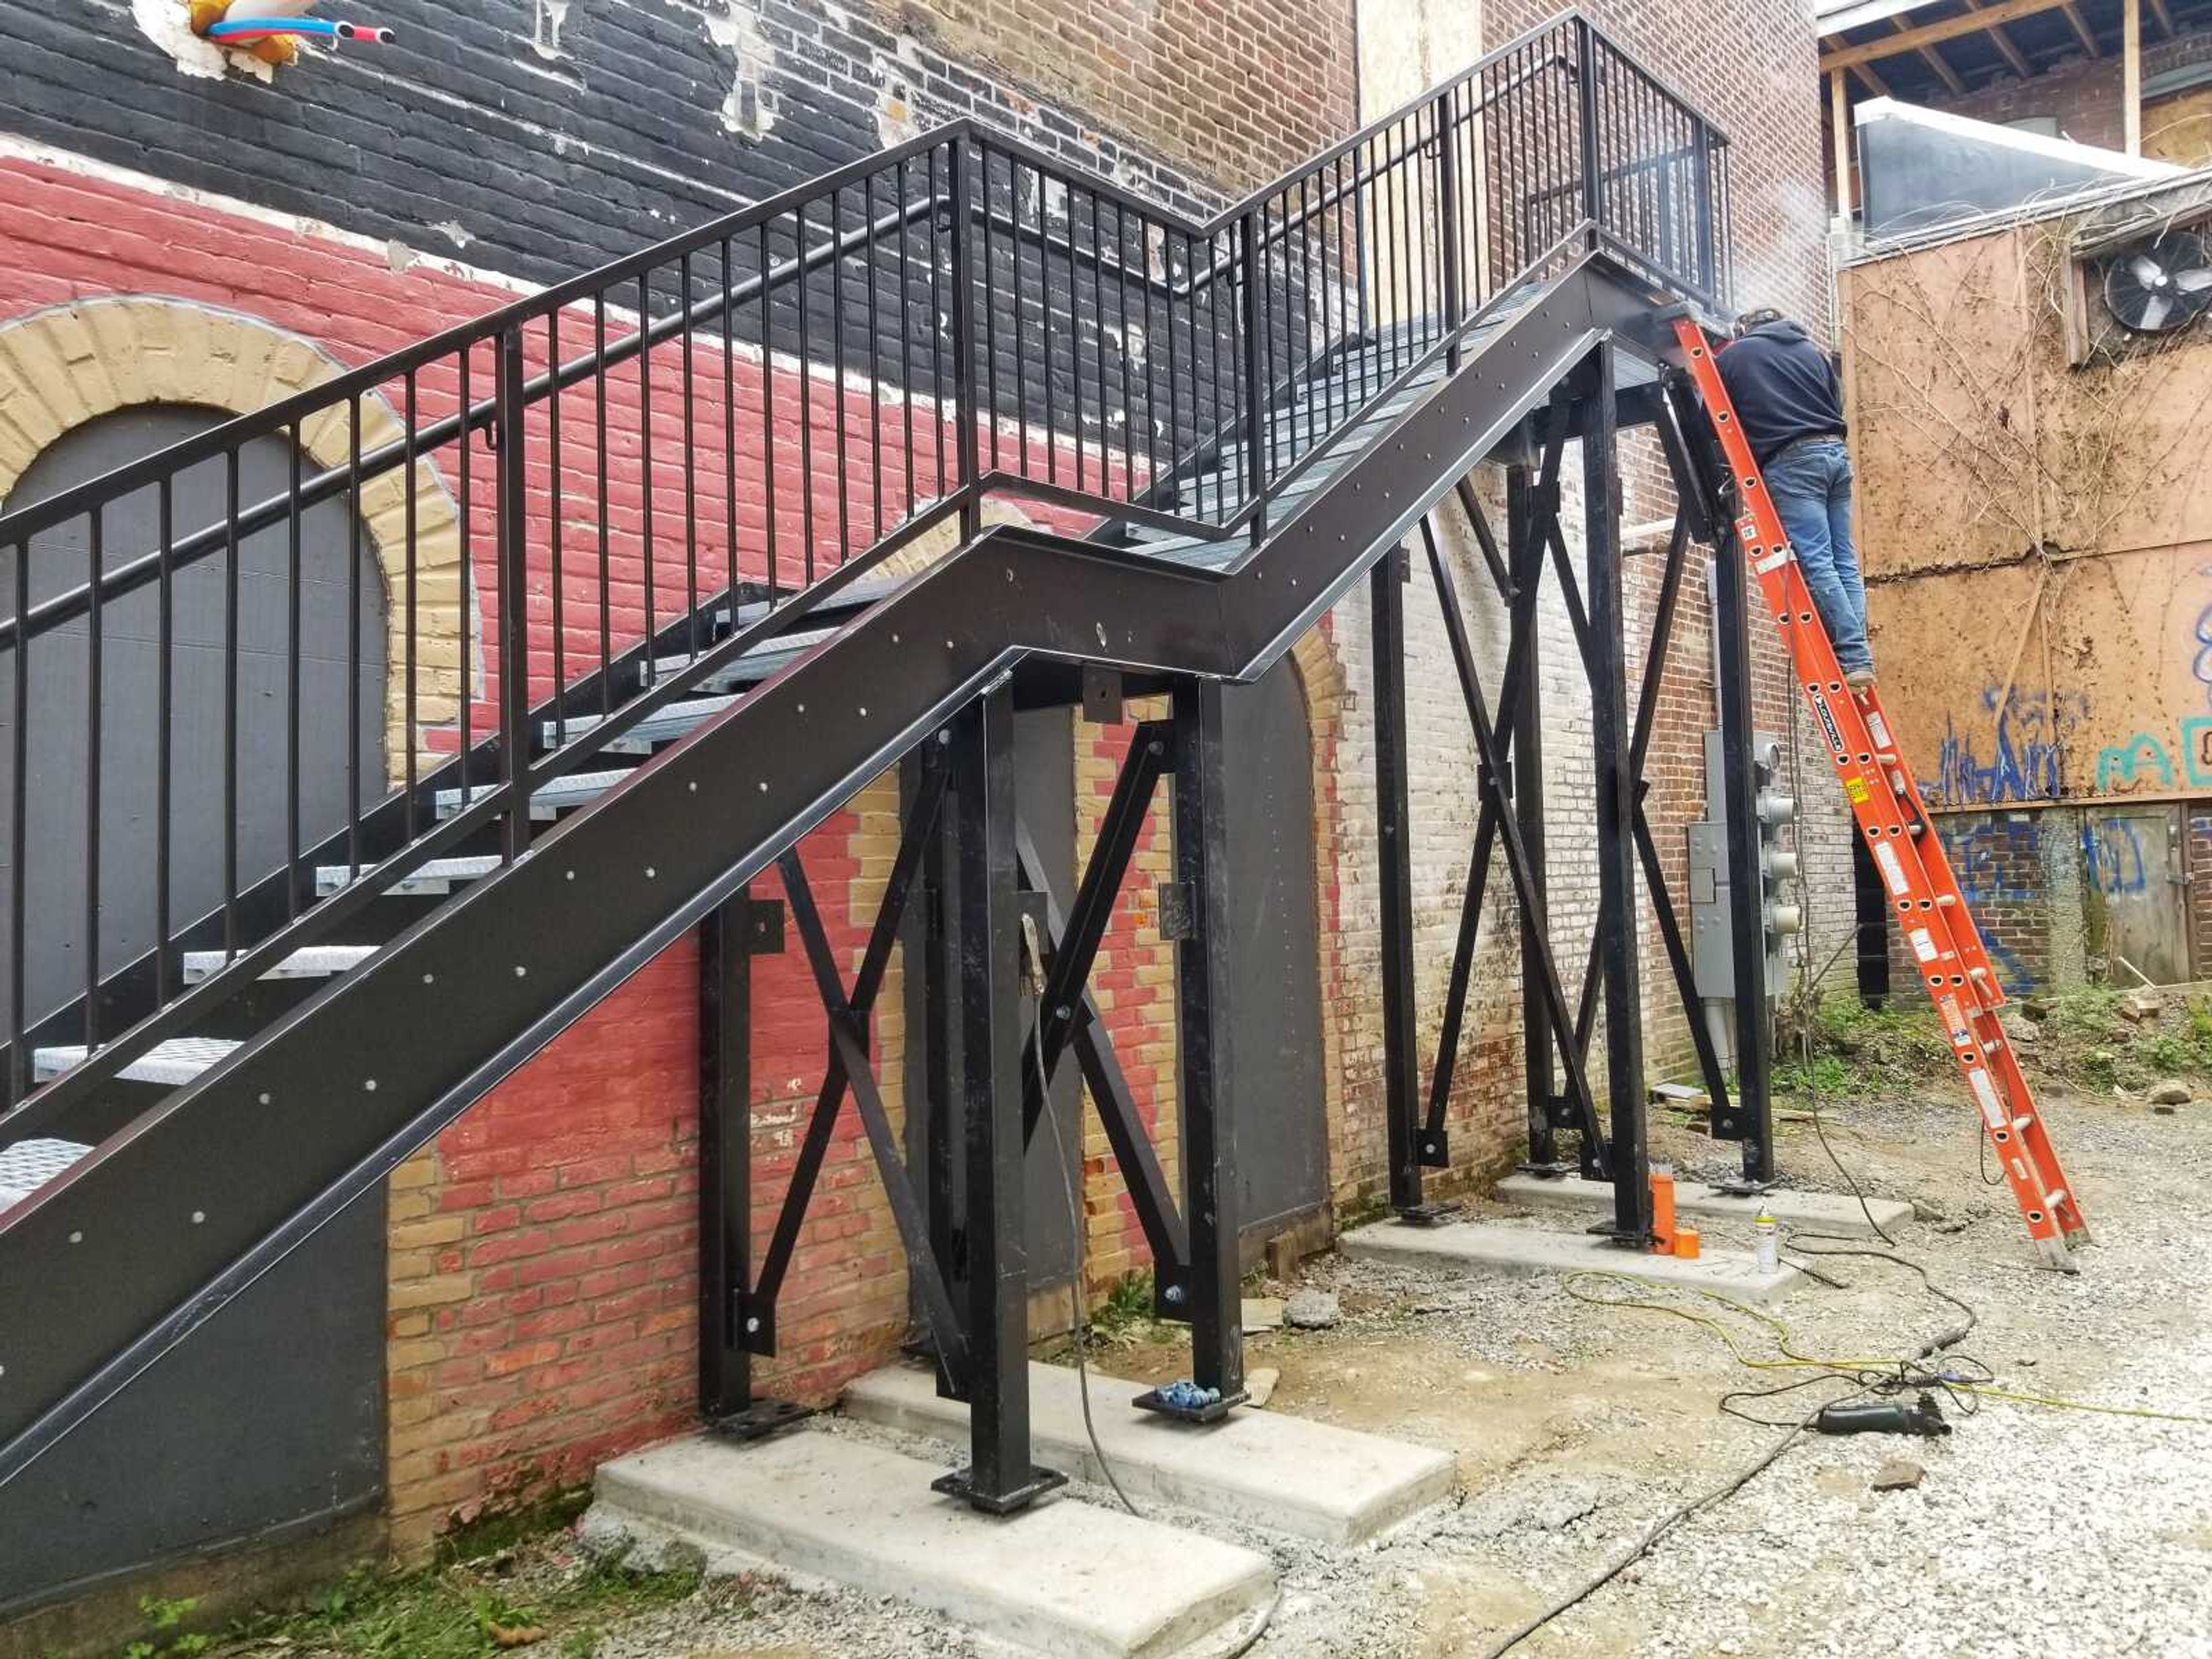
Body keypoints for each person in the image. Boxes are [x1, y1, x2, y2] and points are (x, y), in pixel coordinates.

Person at [1715, 308, 1874, 690]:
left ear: (1745, 329)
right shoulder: (1812, 352)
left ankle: (1853, 657)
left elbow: (1713, 419)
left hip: (1792, 462)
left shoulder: (1736, 356)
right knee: (1843, 560)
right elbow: (1836, 405)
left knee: (1817, 560)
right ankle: (1859, 653)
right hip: (1835, 455)